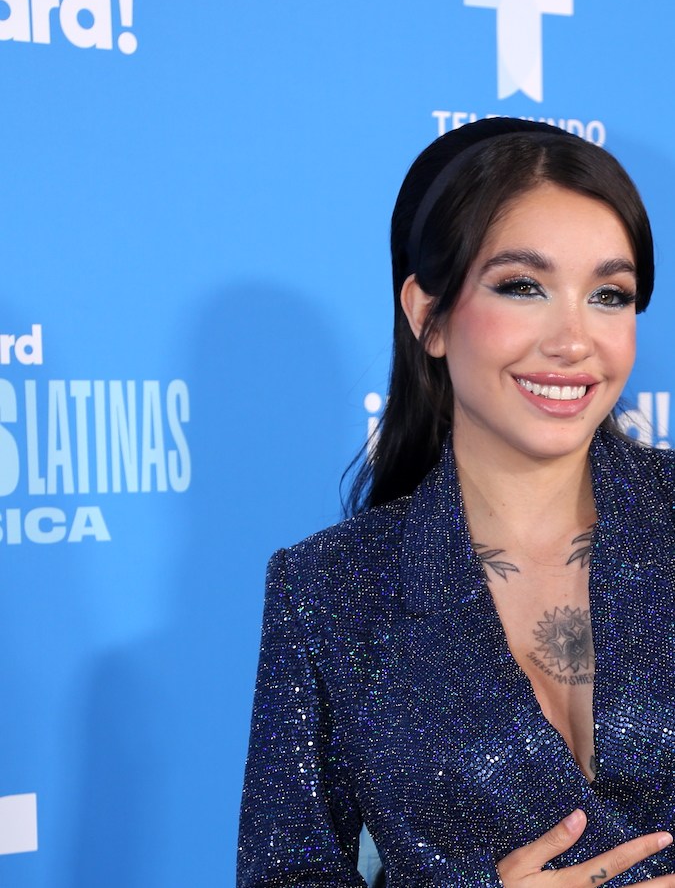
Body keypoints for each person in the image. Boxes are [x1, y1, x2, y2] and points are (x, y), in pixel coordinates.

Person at [237, 118, 675, 887]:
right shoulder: (328, 590)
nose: (574, 339)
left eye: (609, 295)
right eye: (522, 286)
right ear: (426, 315)